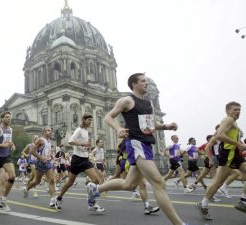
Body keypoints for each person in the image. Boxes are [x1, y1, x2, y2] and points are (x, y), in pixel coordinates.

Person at [87, 73, 187, 225]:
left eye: (146, 81)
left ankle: (95, 189)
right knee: (159, 183)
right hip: (136, 144)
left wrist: (166, 126)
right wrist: (118, 128)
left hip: (146, 144)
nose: (146, 83)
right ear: (134, 84)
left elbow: (151, 123)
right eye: (143, 81)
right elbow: (108, 117)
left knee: (129, 184)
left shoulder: (148, 103)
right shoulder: (127, 100)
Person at [196, 101, 246, 220]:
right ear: (228, 111)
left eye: (239, 109)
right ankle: (203, 204)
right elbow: (219, 136)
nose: (238, 112)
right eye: (235, 109)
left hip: (235, 154)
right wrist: (238, 143)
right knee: (218, 183)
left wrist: (238, 144)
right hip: (228, 154)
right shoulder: (228, 119)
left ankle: (243, 201)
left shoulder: (234, 123)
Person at [55, 114, 105, 213]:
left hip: (85, 159)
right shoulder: (79, 130)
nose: (90, 122)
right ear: (84, 120)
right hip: (77, 160)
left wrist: (87, 148)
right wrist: (82, 144)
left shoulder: (87, 131)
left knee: (96, 180)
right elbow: (70, 141)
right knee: (70, 182)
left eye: (91, 120)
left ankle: (92, 203)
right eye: (89, 120)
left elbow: (85, 146)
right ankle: (59, 198)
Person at [23, 127, 57, 208]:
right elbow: (31, 151)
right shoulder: (40, 140)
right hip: (40, 163)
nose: (50, 132)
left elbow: (48, 152)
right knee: (37, 181)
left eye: (50, 131)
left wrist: (52, 158)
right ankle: (26, 188)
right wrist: (41, 158)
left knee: (51, 180)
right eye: (48, 130)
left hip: (48, 163)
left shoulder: (49, 141)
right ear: (44, 132)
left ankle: (52, 200)